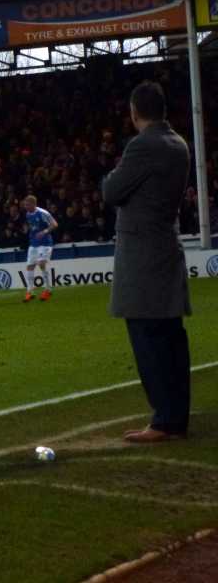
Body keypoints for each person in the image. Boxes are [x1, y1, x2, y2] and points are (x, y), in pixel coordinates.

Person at [102, 81, 191, 443]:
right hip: (166, 245)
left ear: (134, 112)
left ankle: (164, 420)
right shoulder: (178, 143)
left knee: (148, 337)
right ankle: (175, 415)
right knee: (170, 336)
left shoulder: (144, 146)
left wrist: (110, 175)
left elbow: (111, 191)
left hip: (142, 255)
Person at [22, 195, 58, 303]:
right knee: (30, 266)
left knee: (41, 263)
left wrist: (44, 232)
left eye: (27, 204)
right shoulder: (28, 214)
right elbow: (33, 226)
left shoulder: (43, 213)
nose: (25, 206)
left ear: (33, 204)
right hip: (33, 243)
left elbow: (55, 224)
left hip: (45, 243)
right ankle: (30, 291)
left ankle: (48, 289)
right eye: (25, 204)